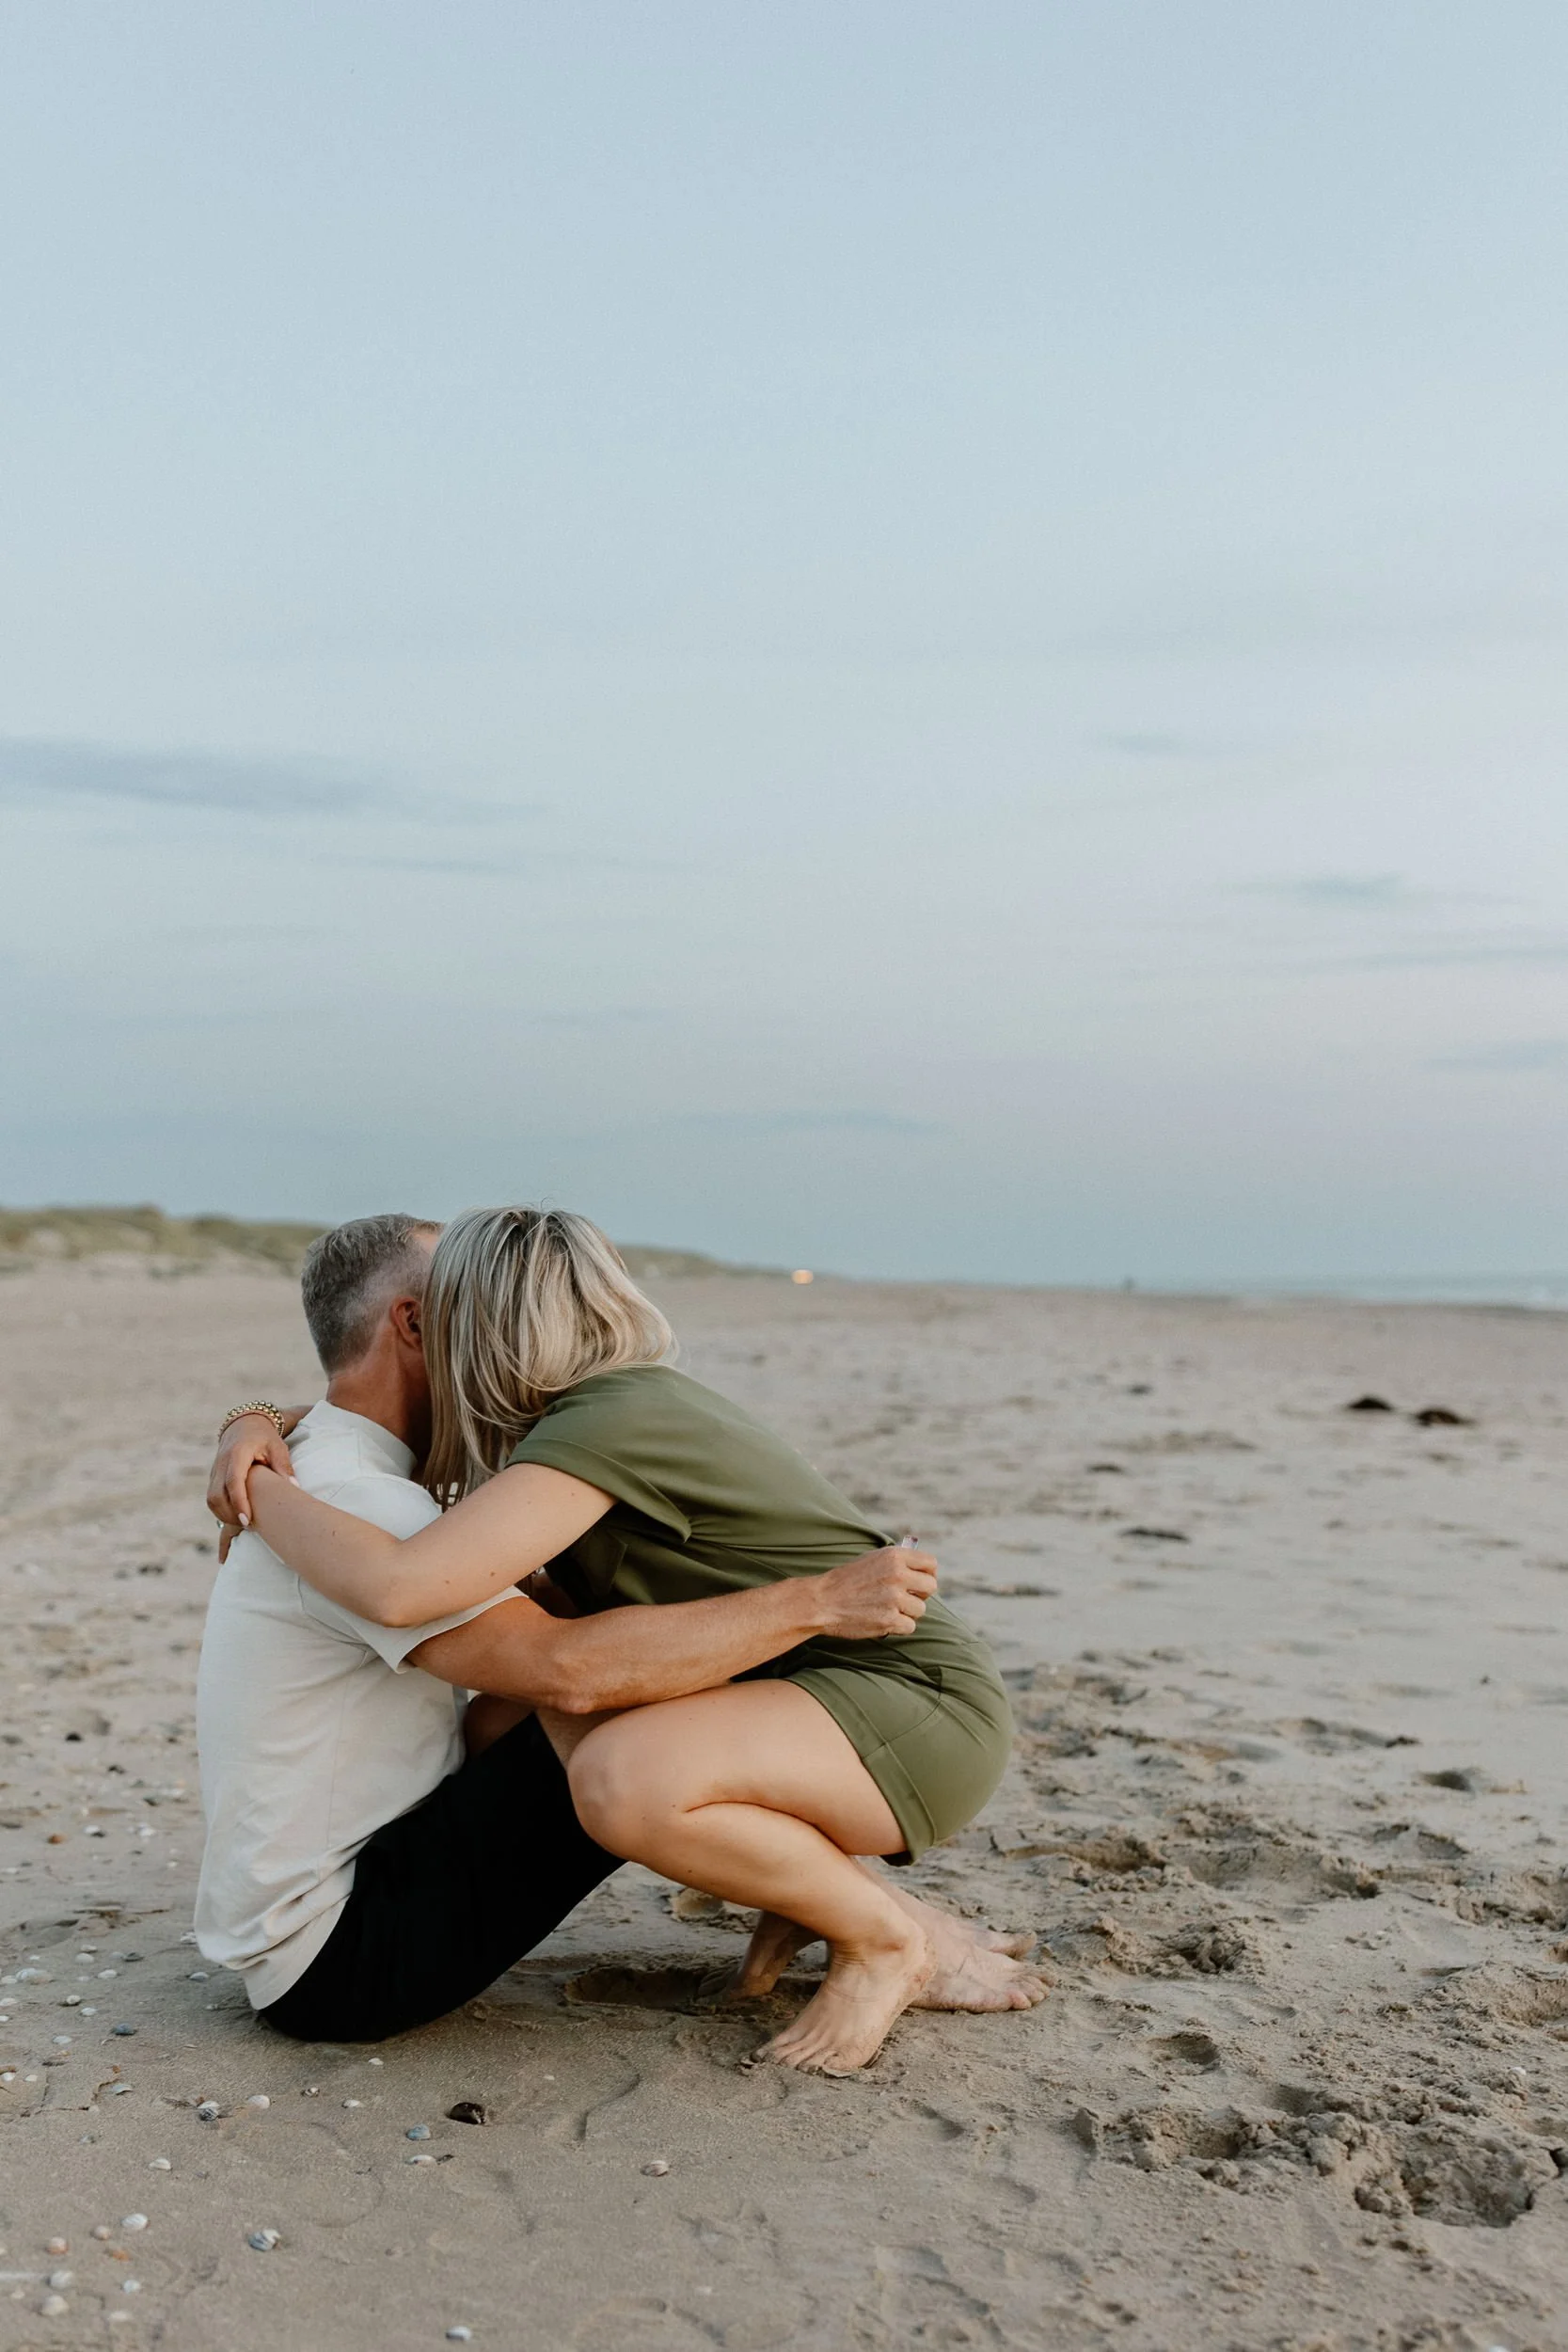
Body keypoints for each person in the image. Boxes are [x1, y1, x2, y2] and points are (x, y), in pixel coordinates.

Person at [228, 1207, 1042, 2073]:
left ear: (481, 1321)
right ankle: (821, 1894)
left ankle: (886, 1940)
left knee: (621, 1774)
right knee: (502, 1724)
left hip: (903, 1701)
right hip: (818, 1690)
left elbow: (404, 1590)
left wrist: (255, 1492)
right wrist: (253, 1420)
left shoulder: (606, 1421)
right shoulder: (572, 1426)